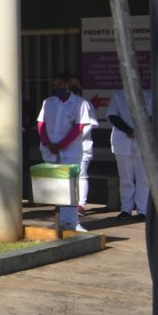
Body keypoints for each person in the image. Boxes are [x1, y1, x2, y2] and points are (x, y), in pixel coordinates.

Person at [37, 72, 91, 232]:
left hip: (70, 150)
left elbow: (79, 127)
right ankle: (59, 220)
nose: (56, 88)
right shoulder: (48, 102)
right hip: (50, 150)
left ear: (68, 86)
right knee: (56, 186)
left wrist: (62, 144)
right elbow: (41, 123)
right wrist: (47, 142)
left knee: (71, 185)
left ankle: (72, 221)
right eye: (55, 85)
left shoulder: (79, 103)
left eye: (60, 85)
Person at [107, 87, 152, 220]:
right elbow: (112, 115)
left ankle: (142, 210)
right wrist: (128, 130)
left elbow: (152, 115)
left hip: (143, 140)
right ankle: (126, 209)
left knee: (143, 178)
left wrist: (140, 130)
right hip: (123, 140)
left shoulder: (148, 95)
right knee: (126, 178)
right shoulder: (118, 95)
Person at [67, 74, 96, 214]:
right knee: (66, 177)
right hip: (64, 148)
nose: (74, 87)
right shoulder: (60, 105)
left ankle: (80, 205)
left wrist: (70, 139)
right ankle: (67, 204)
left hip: (82, 146)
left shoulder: (85, 103)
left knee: (81, 175)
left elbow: (88, 127)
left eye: (76, 84)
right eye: (71, 84)